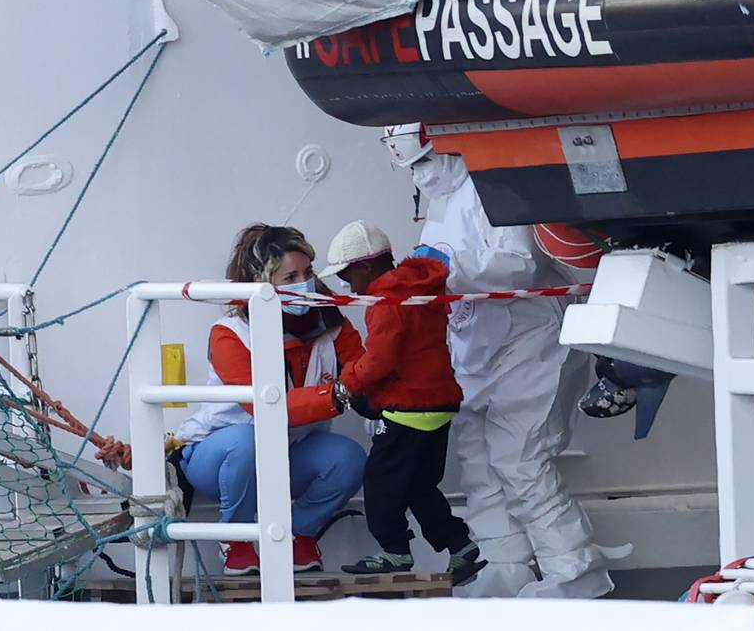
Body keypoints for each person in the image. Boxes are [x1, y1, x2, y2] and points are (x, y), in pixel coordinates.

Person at [381, 123, 615, 598]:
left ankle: (575, 572)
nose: (421, 175)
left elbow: (519, 263)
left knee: (521, 461)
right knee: (479, 464)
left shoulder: (492, 185)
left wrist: (444, 268)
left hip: (532, 344)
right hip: (476, 349)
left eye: (425, 162)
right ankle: (504, 563)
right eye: (413, 167)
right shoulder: (442, 202)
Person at [168, 224, 367, 576]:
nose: (304, 283)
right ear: (262, 282)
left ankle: (299, 534)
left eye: (307, 272)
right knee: (249, 439)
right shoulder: (230, 334)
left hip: (287, 452)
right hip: (216, 457)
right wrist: (336, 394)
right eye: (290, 275)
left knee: (349, 458)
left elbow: (361, 369)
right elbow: (264, 407)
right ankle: (236, 540)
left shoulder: (331, 323)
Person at [317, 220, 488, 585]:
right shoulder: (418, 288)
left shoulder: (385, 299)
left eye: (346, 275)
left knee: (380, 484)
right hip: (439, 404)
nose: (346, 285)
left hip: (407, 410)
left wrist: (347, 386)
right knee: (419, 487)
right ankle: (461, 548)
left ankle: (394, 551)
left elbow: (380, 360)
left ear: (365, 266)